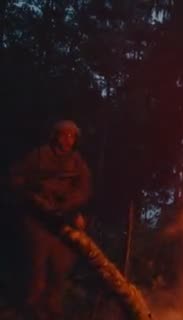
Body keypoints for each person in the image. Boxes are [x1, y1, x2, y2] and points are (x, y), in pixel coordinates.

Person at [10, 120, 92, 320]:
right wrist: (34, 193)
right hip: (38, 221)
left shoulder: (77, 161)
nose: (68, 140)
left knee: (60, 268)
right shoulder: (39, 156)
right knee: (37, 267)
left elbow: (84, 189)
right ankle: (32, 308)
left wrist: (69, 202)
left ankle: (53, 308)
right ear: (55, 136)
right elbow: (16, 178)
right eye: (64, 135)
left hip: (63, 220)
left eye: (72, 136)